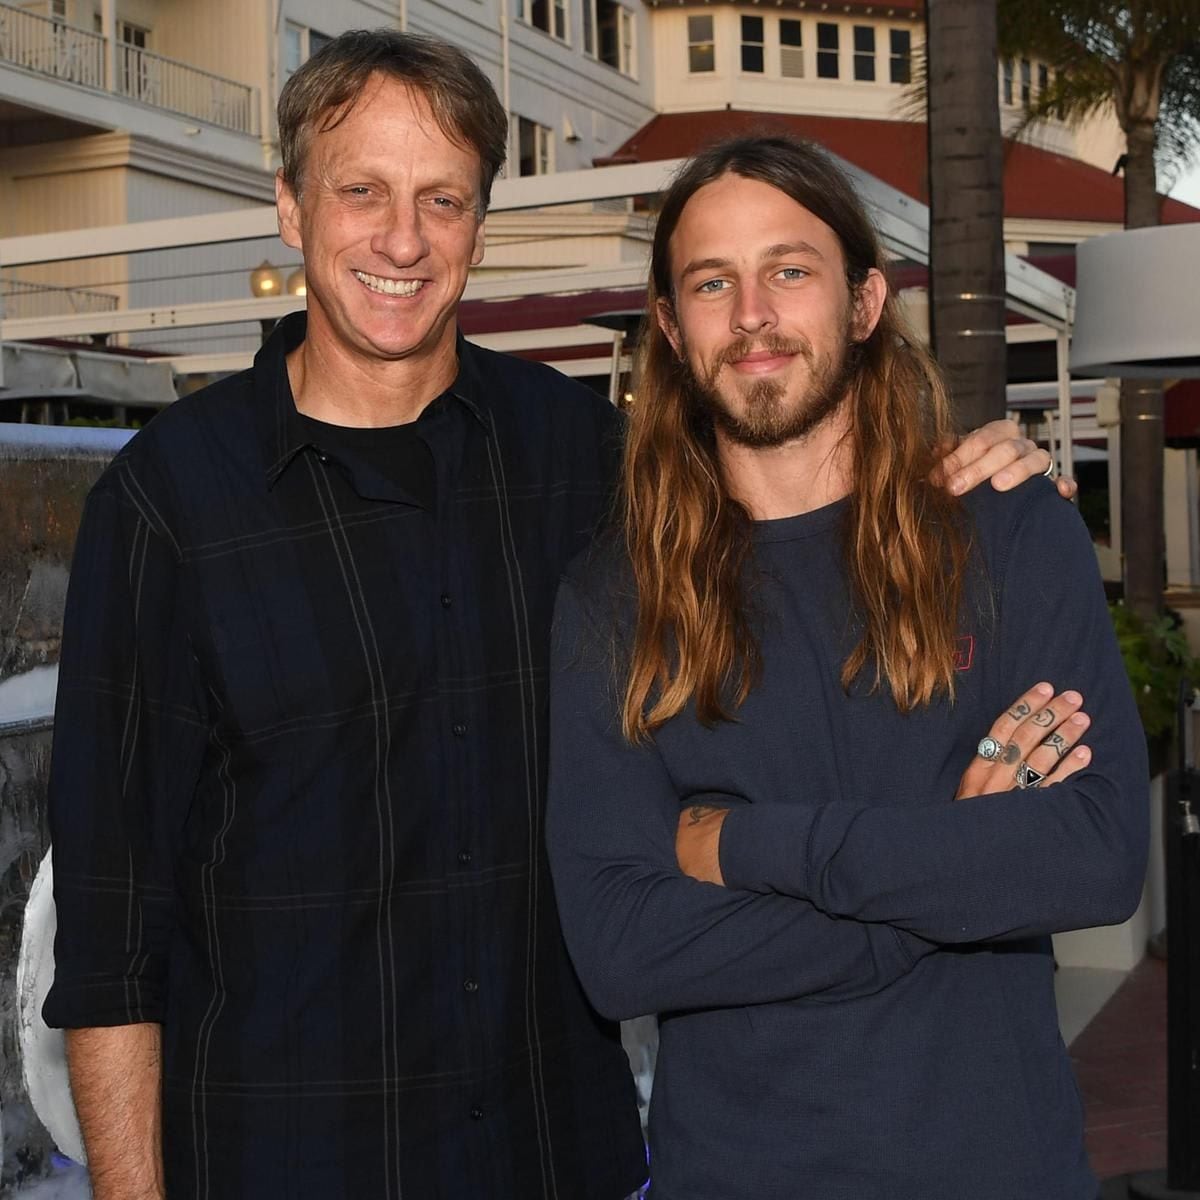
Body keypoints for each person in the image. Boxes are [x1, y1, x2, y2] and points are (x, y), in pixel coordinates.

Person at [44, 29, 1068, 1199]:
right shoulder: (168, 505)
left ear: (480, 227)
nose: (401, 238)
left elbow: (802, 489)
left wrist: (976, 467)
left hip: (558, 1155)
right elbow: (111, 939)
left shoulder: (590, 464)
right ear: (289, 206)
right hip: (288, 1158)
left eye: (443, 199)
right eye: (362, 191)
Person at [546, 135, 1148, 1200]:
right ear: (675, 332)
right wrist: (953, 871)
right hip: (736, 1177)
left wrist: (739, 840)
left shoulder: (1007, 536)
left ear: (864, 302)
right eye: (711, 283)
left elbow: (1094, 857)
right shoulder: (614, 599)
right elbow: (623, 948)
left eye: (790, 269)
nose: (752, 315)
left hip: (1001, 1172)